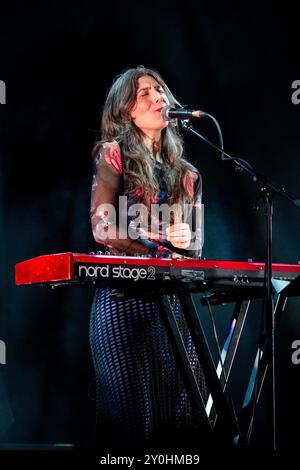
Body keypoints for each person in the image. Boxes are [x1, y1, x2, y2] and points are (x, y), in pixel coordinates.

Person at [89, 66, 206, 452]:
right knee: (131, 426)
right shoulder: (114, 154)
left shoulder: (187, 174)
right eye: (145, 94)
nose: (159, 98)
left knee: (182, 424)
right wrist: (154, 244)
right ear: (125, 110)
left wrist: (186, 240)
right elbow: (103, 227)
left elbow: (196, 246)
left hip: (172, 305)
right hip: (123, 302)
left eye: (160, 91)